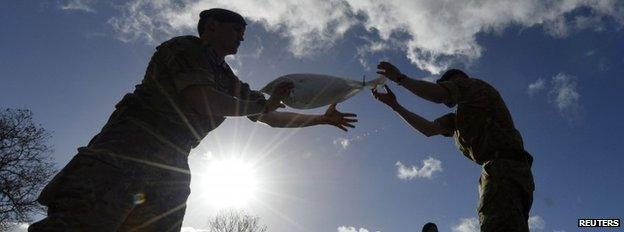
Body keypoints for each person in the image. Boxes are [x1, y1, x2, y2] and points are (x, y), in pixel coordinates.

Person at [29, 8, 357, 231]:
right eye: (236, 29)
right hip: (127, 151)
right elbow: (202, 99)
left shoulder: (229, 80)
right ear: (211, 27)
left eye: (244, 31)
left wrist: (321, 120)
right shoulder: (185, 48)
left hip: (171, 167)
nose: (242, 35)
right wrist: (263, 104)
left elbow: (270, 117)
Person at [371, 62, 534, 232]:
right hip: (502, 170)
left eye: (447, 84)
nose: (446, 87)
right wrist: (395, 106)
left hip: (505, 168)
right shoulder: (457, 118)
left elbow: (439, 95)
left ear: (458, 80)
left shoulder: (474, 86)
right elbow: (428, 129)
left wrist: (400, 78)